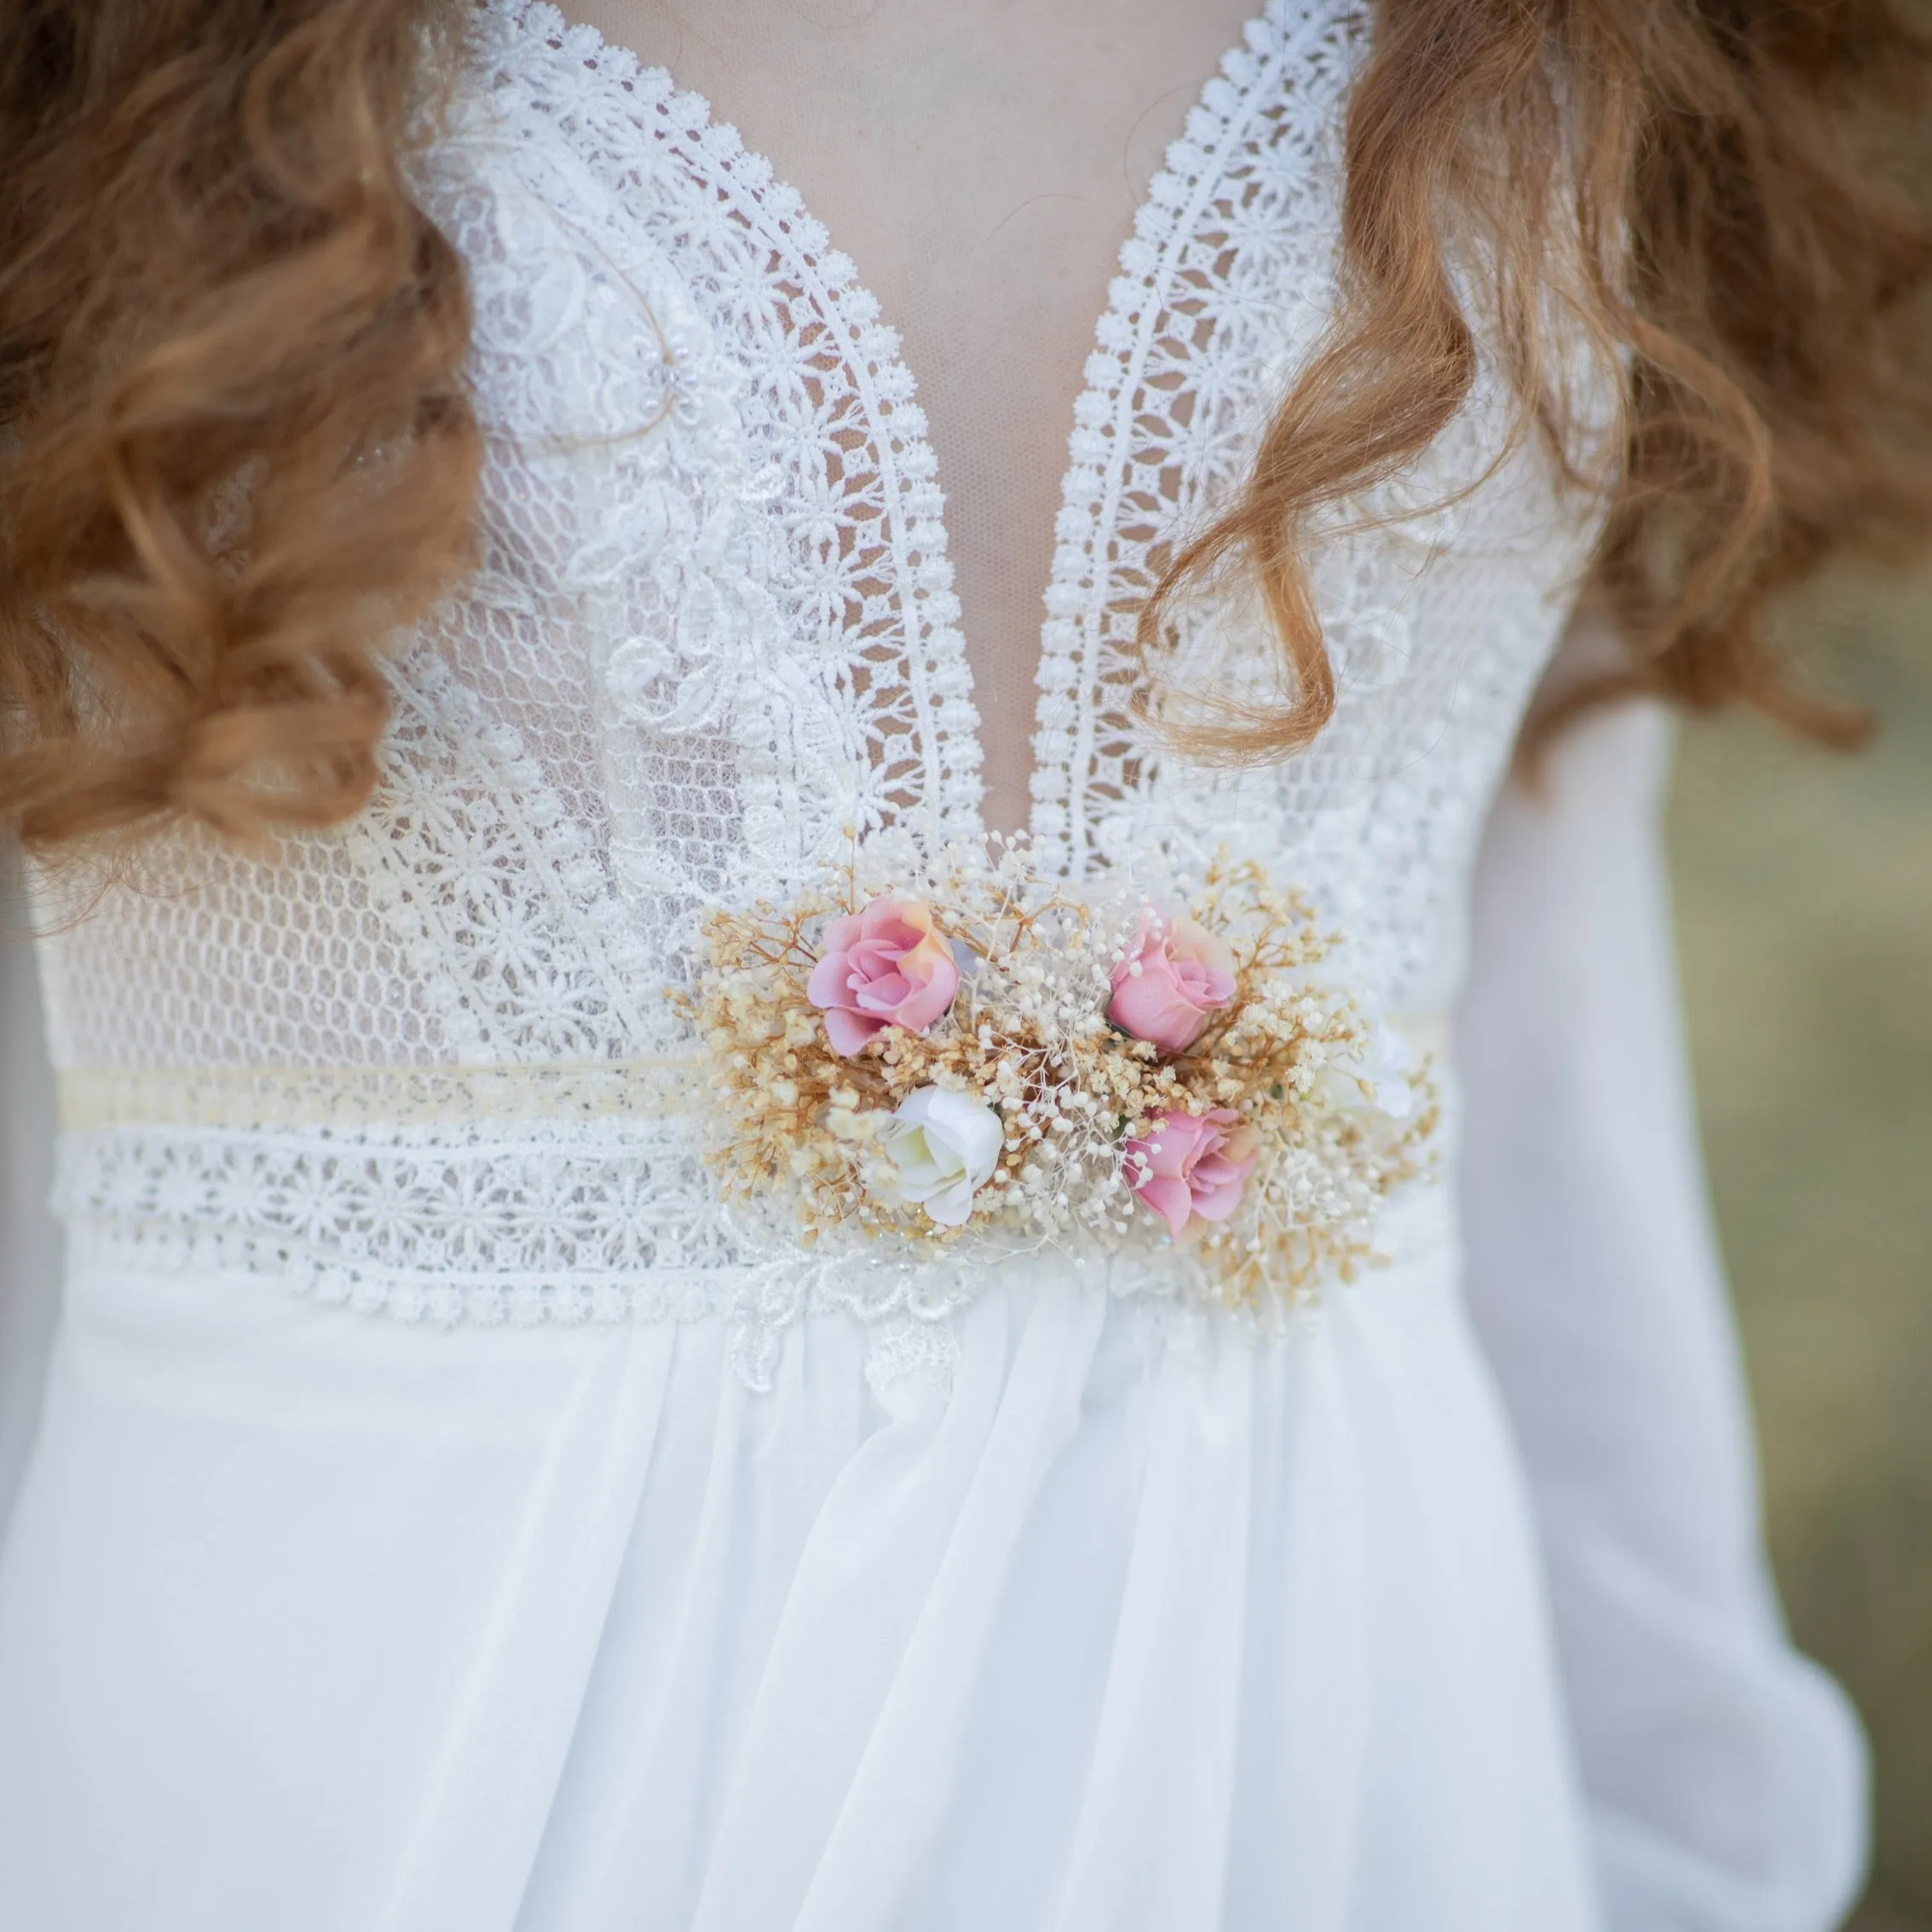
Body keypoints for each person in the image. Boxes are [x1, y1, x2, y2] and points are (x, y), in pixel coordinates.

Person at [1, 3, 1926, 1926]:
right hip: (387, 1744)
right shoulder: (110, 64)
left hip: (1327, 1726)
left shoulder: (1566, 42)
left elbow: (1516, 1055)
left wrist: (1665, 1806)